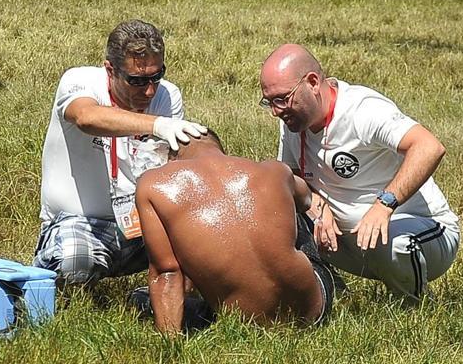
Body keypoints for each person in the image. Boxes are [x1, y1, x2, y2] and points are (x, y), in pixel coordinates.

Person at [259, 44, 460, 302]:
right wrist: (317, 206)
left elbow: (429, 147)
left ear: (311, 82)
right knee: (276, 214)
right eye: (269, 102)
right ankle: (327, 292)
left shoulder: (362, 110)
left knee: (391, 244)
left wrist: (385, 204)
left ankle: (415, 306)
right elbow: (291, 178)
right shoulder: (293, 121)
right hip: (349, 242)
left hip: (421, 232)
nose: (276, 110)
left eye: (282, 99)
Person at [33, 19, 207, 287]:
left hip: (141, 226)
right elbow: (86, 117)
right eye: (137, 81)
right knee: (75, 260)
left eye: (156, 76)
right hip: (78, 223)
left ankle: (154, 298)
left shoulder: (168, 95)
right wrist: (158, 125)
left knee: (206, 244)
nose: (149, 90)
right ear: (110, 69)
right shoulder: (79, 80)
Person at [134, 130, 334, 334]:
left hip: (244, 323)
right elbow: (307, 201)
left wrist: (170, 345)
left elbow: (166, 272)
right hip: (314, 311)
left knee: (141, 296)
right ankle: (337, 286)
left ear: (171, 157)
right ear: (220, 149)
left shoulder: (154, 186)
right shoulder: (275, 170)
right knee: (290, 205)